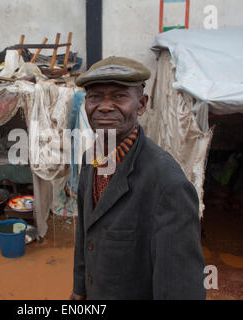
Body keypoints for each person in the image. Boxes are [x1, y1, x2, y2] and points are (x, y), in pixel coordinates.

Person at [70, 56, 206, 300]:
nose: (105, 106)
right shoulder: (90, 158)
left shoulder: (167, 183)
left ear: (141, 105)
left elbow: (180, 285)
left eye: (119, 96)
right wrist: (80, 289)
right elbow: (85, 234)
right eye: (95, 97)